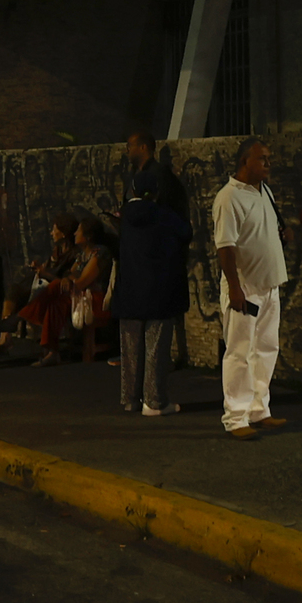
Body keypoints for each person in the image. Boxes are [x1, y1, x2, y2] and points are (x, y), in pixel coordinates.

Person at [215, 137, 290, 440]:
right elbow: (225, 247)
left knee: (266, 349)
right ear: (244, 161)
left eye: (268, 158)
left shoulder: (264, 191)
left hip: (269, 284)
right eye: (262, 158)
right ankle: (236, 417)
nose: (268, 164)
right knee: (239, 353)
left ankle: (259, 409)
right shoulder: (229, 197)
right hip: (246, 287)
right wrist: (235, 288)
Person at [115, 167, 191, 416]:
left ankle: (130, 399)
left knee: (131, 351)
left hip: (129, 291)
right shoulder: (165, 215)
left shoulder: (125, 216)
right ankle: (154, 401)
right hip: (159, 291)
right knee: (155, 350)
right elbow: (186, 233)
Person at [17, 216, 112, 367]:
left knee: (56, 285)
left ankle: (23, 316)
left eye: (78, 231)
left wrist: (69, 279)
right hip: (79, 296)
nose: (74, 233)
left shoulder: (99, 252)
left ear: (88, 236)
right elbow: (70, 274)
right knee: (56, 303)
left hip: (95, 299)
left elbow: (81, 283)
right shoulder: (82, 255)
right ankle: (52, 352)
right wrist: (68, 279)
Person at [0, 213, 79, 356]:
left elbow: (65, 280)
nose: (51, 233)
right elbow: (48, 268)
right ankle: (5, 337)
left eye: (54, 229)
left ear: (64, 233)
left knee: (27, 292)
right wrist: (40, 267)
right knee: (15, 290)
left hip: (54, 288)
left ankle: (13, 323)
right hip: (43, 284)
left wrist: (45, 273)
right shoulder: (57, 250)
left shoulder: (75, 254)